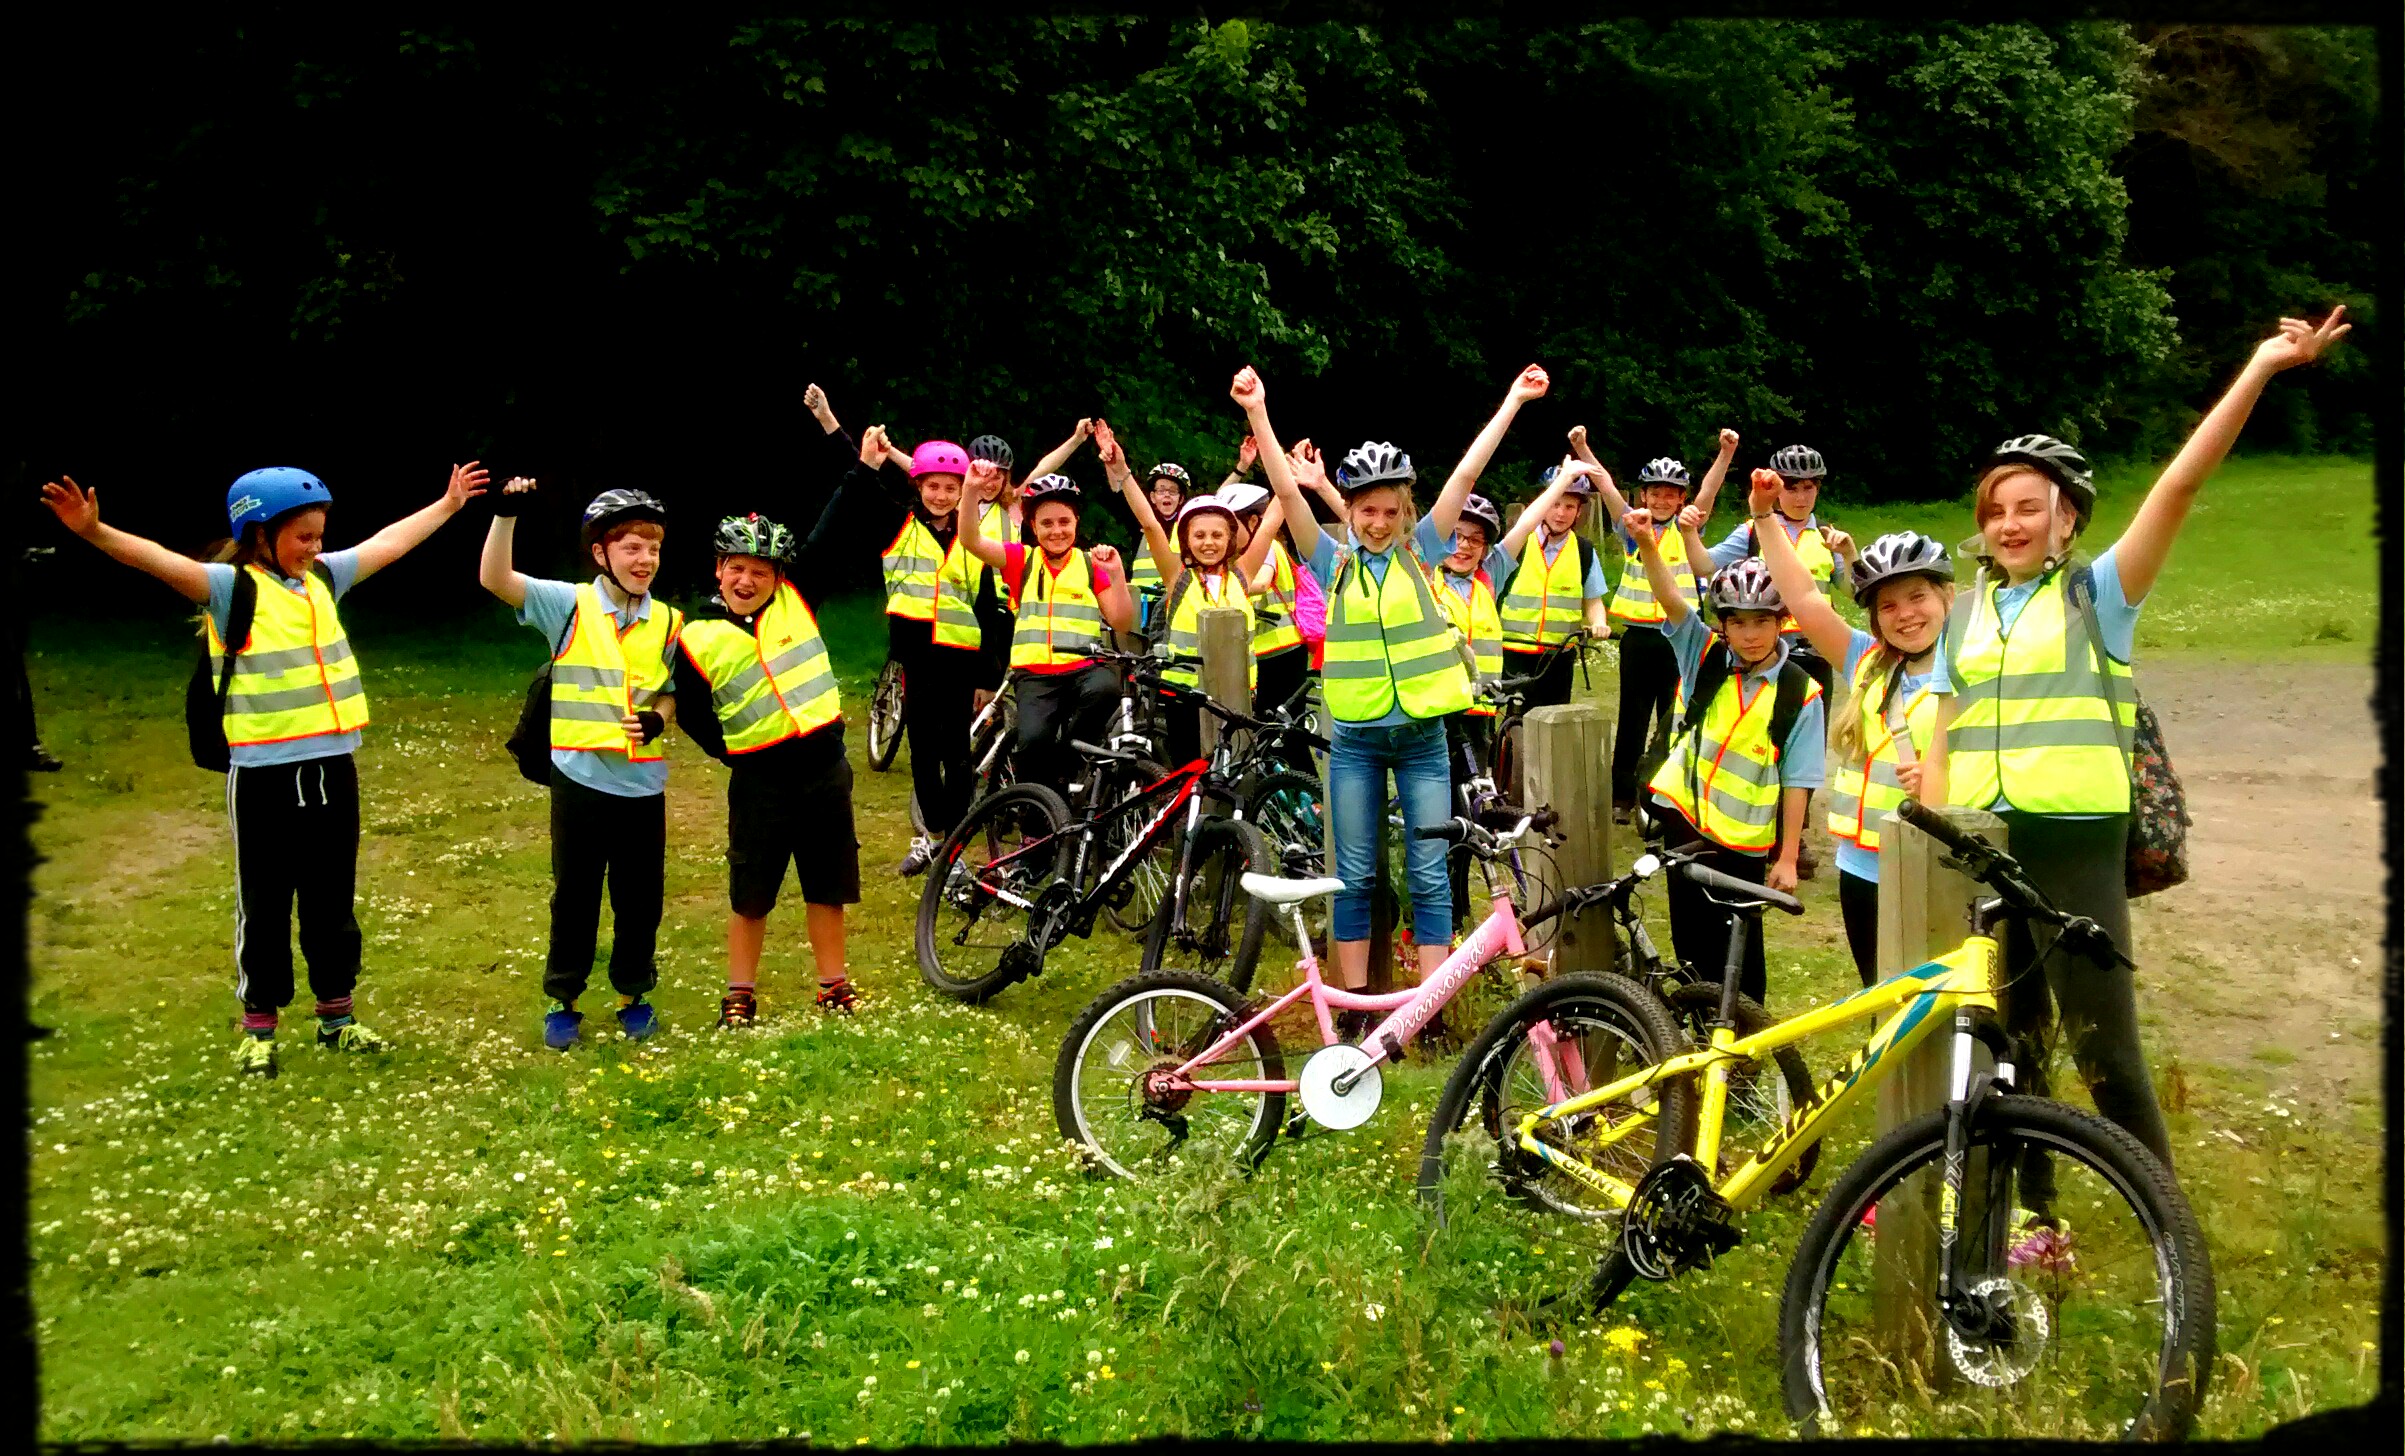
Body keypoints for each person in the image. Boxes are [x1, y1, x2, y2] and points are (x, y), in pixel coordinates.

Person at [1924, 306, 2350, 1212]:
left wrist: (2261, 368)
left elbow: (2179, 487)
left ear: (2066, 518)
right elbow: (1939, 726)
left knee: (2103, 1050)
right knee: (2010, 1045)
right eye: (1994, 510)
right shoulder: (1960, 613)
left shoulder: (2097, 595)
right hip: (1986, 843)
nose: (2007, 523)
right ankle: (2029, 1219)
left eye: (2027, 507)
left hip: (2076, 842)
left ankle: (2165, 1223)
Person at [39, 461, 488, 1076]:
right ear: (258, 535)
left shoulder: (326, 579)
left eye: (320, 534)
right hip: (263, 777)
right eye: (302, 536)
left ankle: (338, 1016)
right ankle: (259, 1026)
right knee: (266, 900)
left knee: (332, 899)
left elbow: (389, 543)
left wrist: (449, 504)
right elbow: (157, 561)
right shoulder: (230, 590)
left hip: (333, 766)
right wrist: (94, 532)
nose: (316, 546)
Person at [1237, 361, 1547, 1004]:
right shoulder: (1331, 561)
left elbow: (1467, 474)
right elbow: (1289, 496)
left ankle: (1427, 1008)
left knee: (1430, 877)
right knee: (1353, 877)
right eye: (1366, 510)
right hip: (1354, 739)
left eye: (1390, 510)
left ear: (1406, 511)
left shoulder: (1421, 551)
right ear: (1348, 510)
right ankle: (1353, 1013)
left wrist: (1514, 401)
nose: (1378, 522)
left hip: (1423, 739)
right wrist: (1258, 413)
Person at [480, 482, 682, 1050]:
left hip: (643, 783)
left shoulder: (669, 621)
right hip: (580, 779)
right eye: (632, 548)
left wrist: (661, 718)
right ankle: (563, 999)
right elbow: (496, 579)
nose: (645, 560)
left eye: (654, 549)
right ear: (601, 554)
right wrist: (506, 514)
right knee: (576, 894)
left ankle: (632, 995)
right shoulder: (568, 604)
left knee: (641, 896)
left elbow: (670, 693)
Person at [1749, 471, 1954, 986]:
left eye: (1917, 597)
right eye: (1888, 605)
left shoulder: (1975, 670)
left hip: (1928, 864)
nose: (1904, 615)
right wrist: (1764, 516)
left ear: (1947, 596)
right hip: (1860, 868)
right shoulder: (1868, 662)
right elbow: (1802, 596)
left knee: (1929, 1001)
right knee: (1876, 995)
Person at [1626, 508, 1825, 1009]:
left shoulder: (1801, 693)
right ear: (1724, 625)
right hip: (1685, 821)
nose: (1751, 634)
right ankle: (1695, 1035)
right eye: (1738, 623)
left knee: (1740, 951)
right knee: (1690, 940)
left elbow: (1799, 779)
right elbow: (1670, 598)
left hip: (1745, 839)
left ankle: (1743, 1045)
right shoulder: (1707, 656)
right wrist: (1650, 545)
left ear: (1781, 622)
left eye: (1762, 622)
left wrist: (1787, 856)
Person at [674, 511, 864, 1025]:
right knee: (751, 892)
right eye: (737, 568)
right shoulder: (698, 636)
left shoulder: (797, 600)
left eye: (761, 572)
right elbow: (692, 713)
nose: (747, 581)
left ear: (779, 578)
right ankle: (740, 991)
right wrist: (731, 752)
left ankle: (832, 984)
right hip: (760, 781)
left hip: (825, 769)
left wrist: (863, 464)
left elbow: (832, 529)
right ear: (719, 569)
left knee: (827, 886)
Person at [1703, 444, 1856, 878]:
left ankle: (1795, 836)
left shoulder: (1825, 536)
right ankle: (1755, 825)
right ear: (1777, 487)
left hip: (1816, 654)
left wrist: (1846, 554)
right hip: (1766, 653)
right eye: (1793, 487)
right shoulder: (1752, 530)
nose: (1802, 496)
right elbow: (1705, 565)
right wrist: (1690, 534)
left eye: (1810, 487)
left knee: (1801, 752)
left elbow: (1851, 590)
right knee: (1760, 743)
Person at [1575, 425, 1740, 821]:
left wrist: (1725, 454)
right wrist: (1582, 446)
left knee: (1674, 716)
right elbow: (1606, 486)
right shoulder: (1634, 529)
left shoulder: (1689, 530)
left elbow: (1710, 492)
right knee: (1631, 718)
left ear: (1682, 498)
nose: (1664, 500)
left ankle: (1666, 792)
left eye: (1672, 493)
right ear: (1644, 496)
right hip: (1638, 639)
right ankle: (1621, 796)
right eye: (1656, 493)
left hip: (1680, 640)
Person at [955, 471, 1136, 800]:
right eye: (1047, 523)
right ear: (1033, 526)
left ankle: (1070, 760)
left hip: (1084, 668)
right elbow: (970, 540)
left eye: (1064, 521)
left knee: (1107, 688)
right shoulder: (1021, 559)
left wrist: (1117, 574)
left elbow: (1122, 622)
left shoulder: (1089, 564)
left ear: (1077, 522)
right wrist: (969, 492)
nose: (1057, 531)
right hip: (1035, 674)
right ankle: (1034, 823)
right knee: (1034, 742)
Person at [859, 426, 989, 875]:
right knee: (922, 748)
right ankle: (929, 836)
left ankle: (954, 846)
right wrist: (833, 426)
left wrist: (987, 678)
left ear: (962, 491)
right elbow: (862, 486)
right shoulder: (899, 525)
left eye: (951, 488)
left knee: (957, 751)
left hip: (959, 659)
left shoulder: (973, 537)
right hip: (916, 657)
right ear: (918, 486)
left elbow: (990, 608)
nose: (940, 495)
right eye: (932, 486)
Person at [1430, 492, 1507, 934]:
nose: (1463, 546)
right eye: (1455, 537)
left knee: (1472, 813)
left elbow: (1520, 532)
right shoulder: (1427, 579)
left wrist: (1570, 476)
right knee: (1446, 816)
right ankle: (1448, 914)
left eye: (1474, 540)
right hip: (1441, 714)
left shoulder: (1487, 581)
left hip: (1480, 715)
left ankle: (1457, 908)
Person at [1493, 460, 1613, 709]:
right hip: (1515, 650)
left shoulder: (1583, 551)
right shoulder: (1519, 544)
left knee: (1555, 724)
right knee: (1517, 721)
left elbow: (1593, 601)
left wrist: (1599, 623)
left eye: (1569, 506)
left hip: (1558, 656)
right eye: (1555, 504)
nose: (1561, 513)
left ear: (1579, 512)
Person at [1216, 480, 1315, 726]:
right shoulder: (1239, 554)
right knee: (1264, 728)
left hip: (1283, 649)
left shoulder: (1267, 547)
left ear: (1252, 522)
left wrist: (1219, 586)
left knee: (1284, 730)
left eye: (1232, 526)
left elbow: (1261, 582)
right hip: (1260, 650)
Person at [1122, 460, 1193, 636]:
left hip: (1173, 604)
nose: (1167, 496)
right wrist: (1116, 468)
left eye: (1173, 491)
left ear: (1181, 498)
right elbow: (1123, 490)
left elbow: (1213, 503)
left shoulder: (1189, 526)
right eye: (1161, 490)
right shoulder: (1142, 525)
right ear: (1153, 497)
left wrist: (1240, 469)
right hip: (1140, 608)